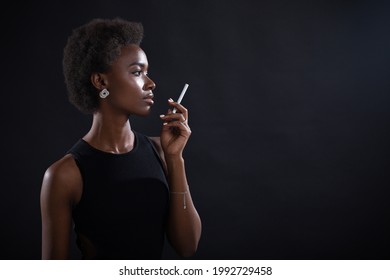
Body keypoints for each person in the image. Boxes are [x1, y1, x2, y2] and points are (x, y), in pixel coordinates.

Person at [40, 18, 202, 260]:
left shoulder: (161, 151)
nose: (150, 83)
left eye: (147, 72)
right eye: (137, 72)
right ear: (101, 81)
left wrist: (175, 158)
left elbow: (188, 246)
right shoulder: (64, 175)